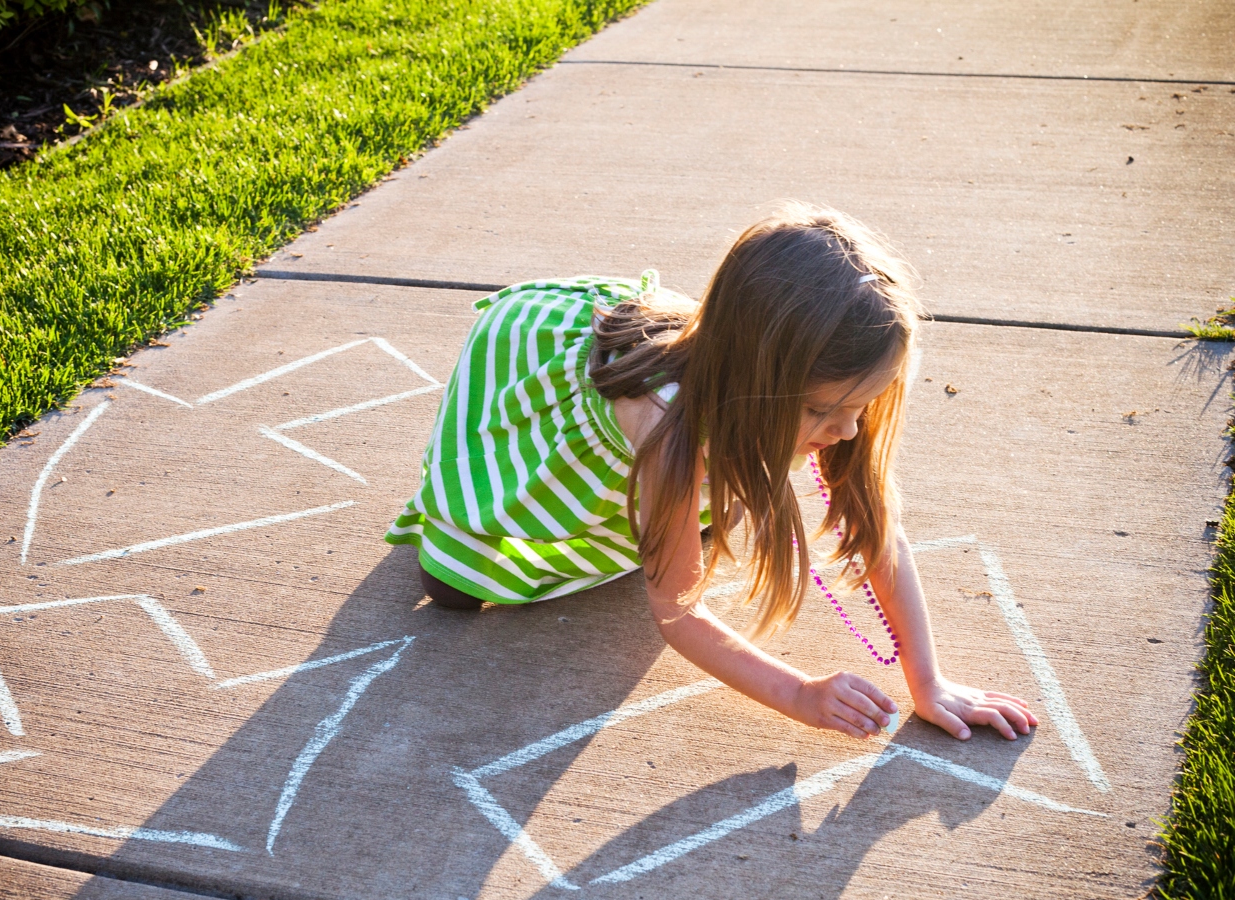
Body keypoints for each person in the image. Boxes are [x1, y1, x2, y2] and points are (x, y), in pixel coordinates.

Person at [385, 204, 1038, 742]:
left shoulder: (828, 394)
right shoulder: (671, 436)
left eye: (862, 407)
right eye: (824, 412)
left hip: (710, 407)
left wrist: (929, 680)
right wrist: (800, 695)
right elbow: (677, 612)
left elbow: (875, 527)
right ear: (760, 384)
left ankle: (690, 499)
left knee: (698, 510)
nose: (848, 430)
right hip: (560, 387)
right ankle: (468, 535)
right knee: (452, 586)